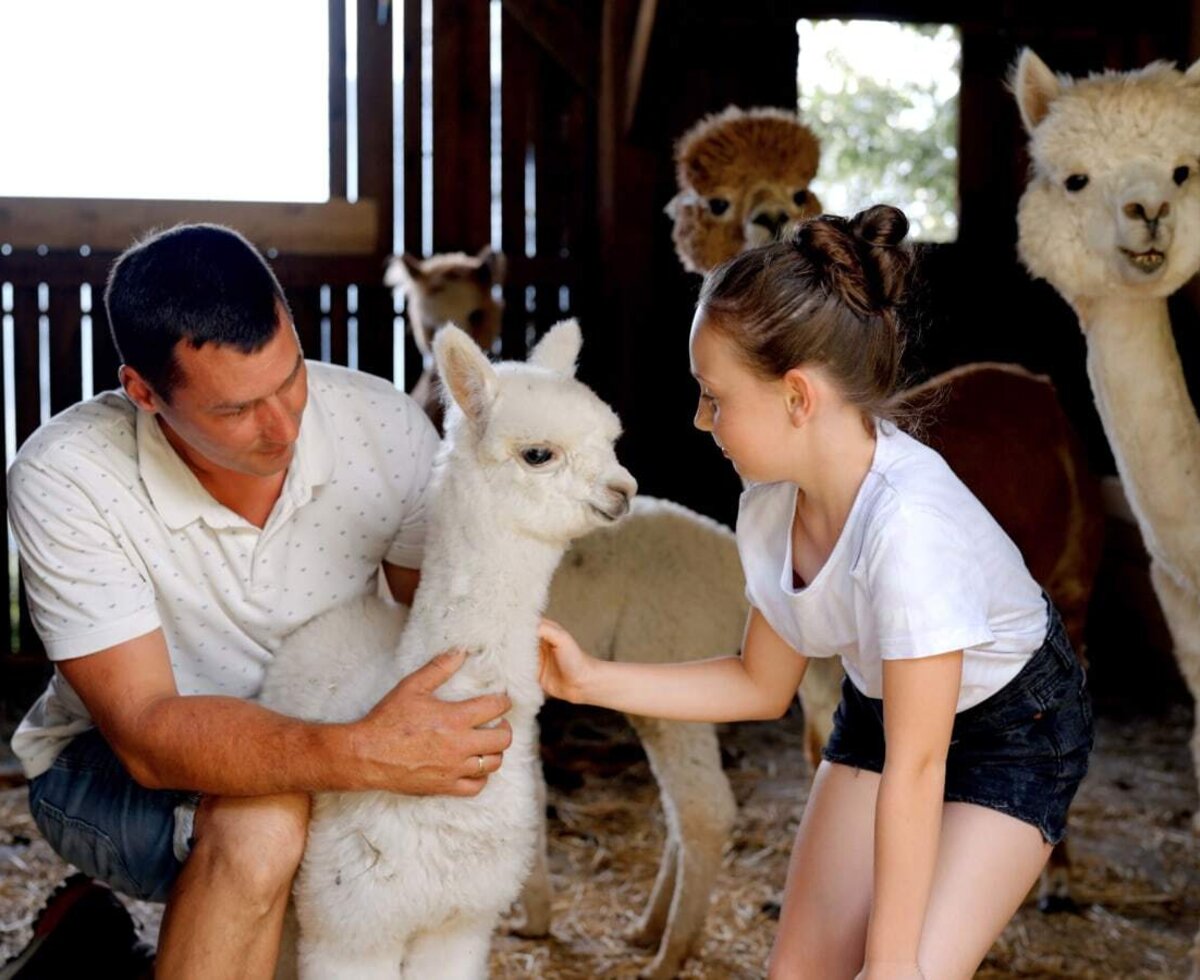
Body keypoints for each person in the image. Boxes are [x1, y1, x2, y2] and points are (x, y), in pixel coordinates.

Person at [537, 205, 1094, 980]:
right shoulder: (771, 501)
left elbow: (920, 765)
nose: (701, 421)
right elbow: (761, 684)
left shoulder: (909, 531)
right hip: (884, 714)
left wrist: (892, 966)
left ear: (798, 398)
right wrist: (588, 679)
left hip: (1014, 732)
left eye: (714, 396)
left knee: (908, 972)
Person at [1, 224, 512, 979]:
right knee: (265, 824)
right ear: (143, 392)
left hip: (332, 753)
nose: (282, 427)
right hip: (107, 772)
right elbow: (146, 736)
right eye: (236, 411)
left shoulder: (385, 424)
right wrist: (365, 753)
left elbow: (434, 637)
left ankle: (90, 952)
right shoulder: (66, 475)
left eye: (290, 378)